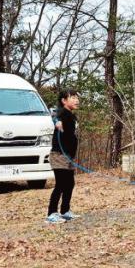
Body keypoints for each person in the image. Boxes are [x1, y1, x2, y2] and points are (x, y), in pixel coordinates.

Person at [46, 88, 81, 223]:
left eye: (76, 97)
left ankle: (65, 211)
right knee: (60, 184)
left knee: (70, 184)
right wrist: (56, 122)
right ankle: (51, 214)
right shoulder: (62, 113)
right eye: (72, 97)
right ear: (64, 101)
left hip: (68, 156)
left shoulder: (71, 115)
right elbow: (53, 114)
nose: (76, 100)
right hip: (59, 155)